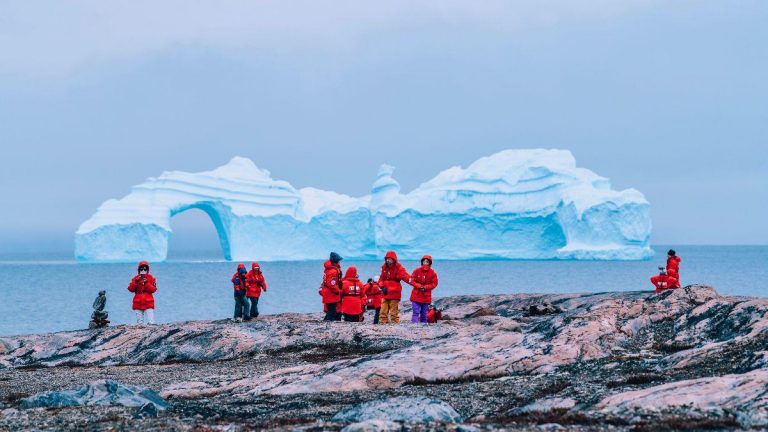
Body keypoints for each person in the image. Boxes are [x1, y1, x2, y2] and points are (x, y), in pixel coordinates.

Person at [378, 250, 411, 324]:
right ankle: (382, 324)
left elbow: (406, 277)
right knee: (383, 311)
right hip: (385, 293)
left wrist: (414, 283)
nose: (388, 260)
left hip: (394, 294)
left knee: (393, 312)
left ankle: (395, 325)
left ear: (394, 259)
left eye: (390, 259)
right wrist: (382, 287)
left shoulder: (399, 268)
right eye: (387, 259)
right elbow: (381, 279)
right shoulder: (384, 268)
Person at [410, 255, 438, 324]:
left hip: (426, 297)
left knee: (424, 313)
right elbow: (412, 281)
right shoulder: (416, 271)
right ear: (422, 262)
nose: (425, 263)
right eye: (424, 261)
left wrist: (425, 287)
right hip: (416, 296)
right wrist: (419, 286)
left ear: (430, 263)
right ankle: (414, 325)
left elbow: (434, 283)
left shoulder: (433, 273)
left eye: (427, 262)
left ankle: (423, 326)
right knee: (415, 311)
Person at [127, 261, 157, 325]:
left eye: (145, 269)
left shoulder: (151, 278)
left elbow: (153, 290)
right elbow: (130, 289)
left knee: (151, 322)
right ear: (139, 270)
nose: (143, 270)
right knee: (139, 323)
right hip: (138, 303)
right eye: (141, 269)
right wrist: (136, 282)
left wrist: (146, 283)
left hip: (148, 303)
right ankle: (141, 333)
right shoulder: (135, 278)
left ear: (147, 270)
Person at [319, 252, 343, 321]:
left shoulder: (329, 270)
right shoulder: (333, 271)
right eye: (339, 261)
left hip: (328, 293)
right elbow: (331, 284)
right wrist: (338, 291)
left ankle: (327, 323)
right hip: (330, 294)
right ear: (336, 261)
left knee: (331, 310)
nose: (340, 262)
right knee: (332, 311)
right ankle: (326, 323)